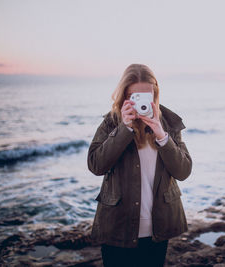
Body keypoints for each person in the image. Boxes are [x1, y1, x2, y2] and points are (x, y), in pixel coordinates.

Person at [87, 63, 192, 267]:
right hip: (118, 227)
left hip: (158, 229)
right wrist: (123, 129)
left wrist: (162, 136)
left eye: (148, 96)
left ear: (155, 93)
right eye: (135, 96)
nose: (142, 102)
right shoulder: (112, 122)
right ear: (125, 96)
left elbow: (183, 171)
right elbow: (95, 165)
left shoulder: (168, 123)